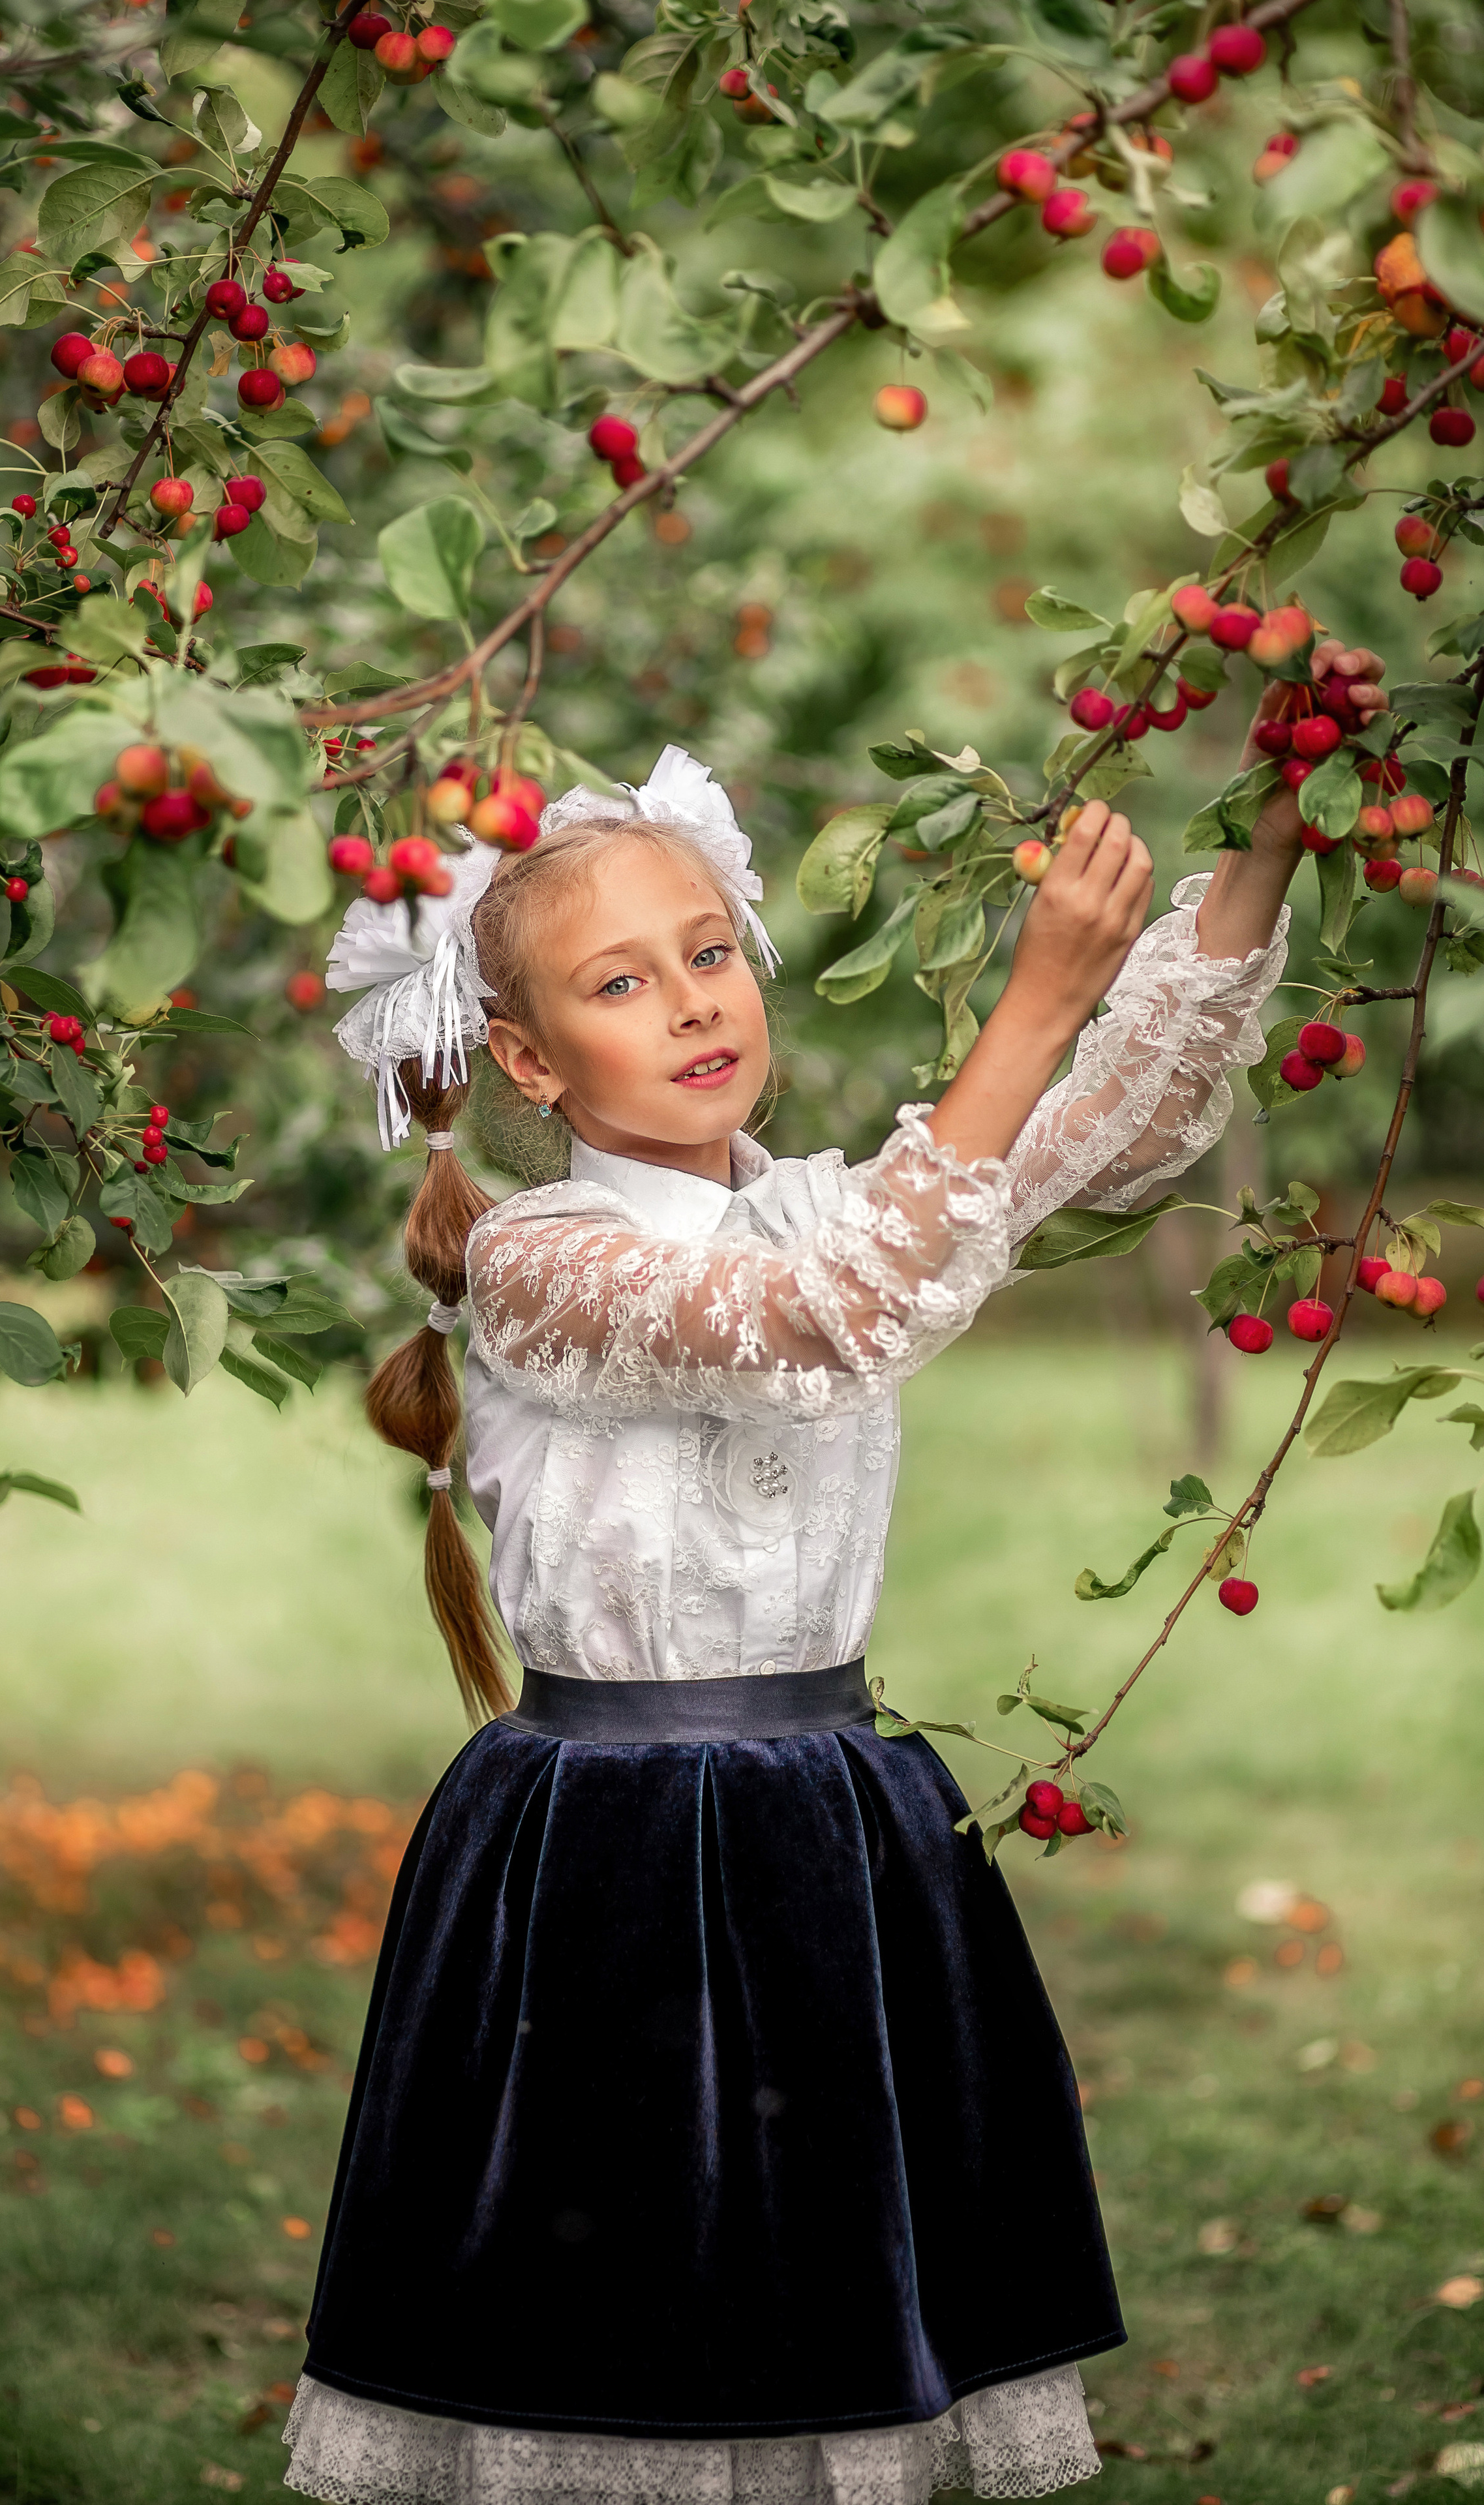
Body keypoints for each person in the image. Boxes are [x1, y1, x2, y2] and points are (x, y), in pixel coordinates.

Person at [284, 644, 1386, 2505]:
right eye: (622, 984)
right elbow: (827, 1317)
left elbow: (1091, 1128)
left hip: (833, 1822)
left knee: (828, 2315)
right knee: (623, 2317)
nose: (696, 1003)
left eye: (710, 952)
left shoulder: (815, 1195)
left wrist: (1277, 829)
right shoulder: (544, 1263)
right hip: (607, 1859)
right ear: (534, 1062)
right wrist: (1027, 1000)